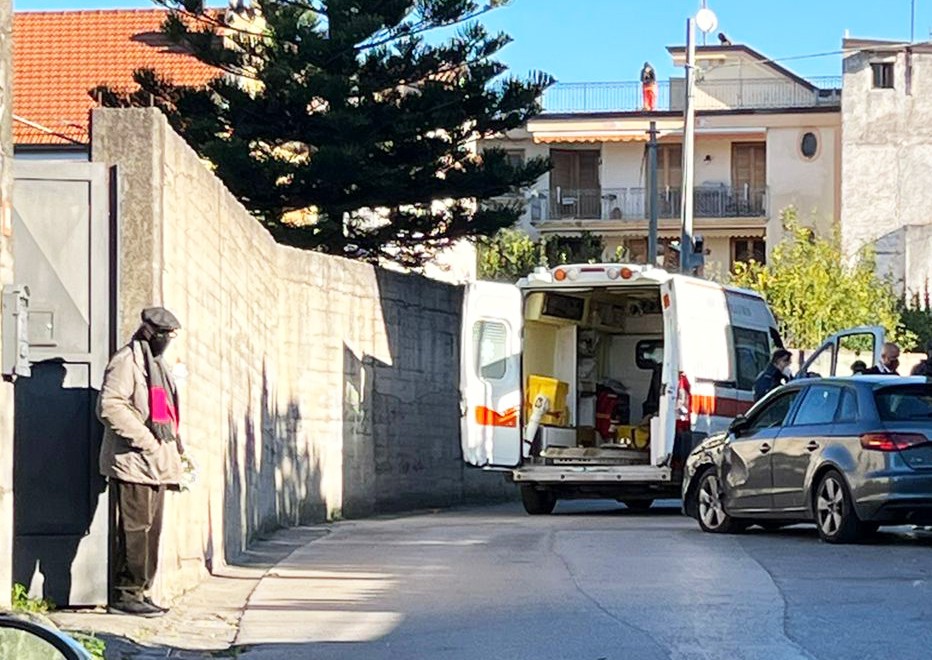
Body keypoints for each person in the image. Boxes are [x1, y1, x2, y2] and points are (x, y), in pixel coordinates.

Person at [98, 307, 184, 617]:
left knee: (151, 532)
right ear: (150, 333)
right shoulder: (127, 361)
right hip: (133, 461)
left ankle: (141, 590)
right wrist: (147, 442)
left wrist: (177, 450)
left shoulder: (157, 365)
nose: (168, 341)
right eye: (165, 335)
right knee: (134, 531)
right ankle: (124, 594)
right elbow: (110, 406)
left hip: (156, 463)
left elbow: (167, 414)